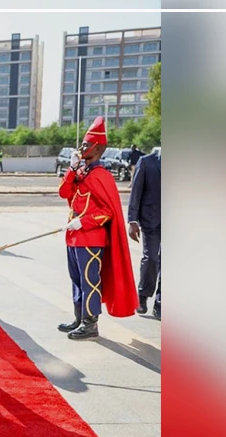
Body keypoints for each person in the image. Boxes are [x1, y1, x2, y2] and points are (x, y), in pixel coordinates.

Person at [57, 117, 139, 340]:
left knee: (89, 282)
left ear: (98, 148)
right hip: (74, 237)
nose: (81, 148)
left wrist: (84, 222)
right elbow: (64, 192)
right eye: (82, 144)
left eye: (86, 145)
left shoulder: (100, 175)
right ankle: (79, 316)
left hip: (91, 238)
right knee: (76, 280)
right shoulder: (82, 172)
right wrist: (72, 169)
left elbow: (108, 211)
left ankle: (90, 322)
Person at [128, 147, 161, 320]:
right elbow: (136, 191)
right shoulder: (146, 161)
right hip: (150, 220)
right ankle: (143, 296)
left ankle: (160, 302)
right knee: (151, 258)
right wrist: (132, 220)